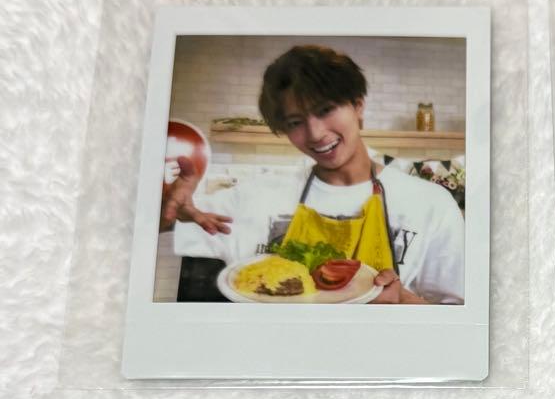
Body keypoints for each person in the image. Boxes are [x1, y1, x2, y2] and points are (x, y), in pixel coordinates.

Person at [160, 44, 465, 304]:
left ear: (358, 106)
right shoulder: (253, 197)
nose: (315, 133)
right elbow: (155, 228)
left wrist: (404, 302)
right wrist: (165, 209)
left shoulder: (430, 203)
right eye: (295, 122)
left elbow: (463, 323)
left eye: (325, 110)